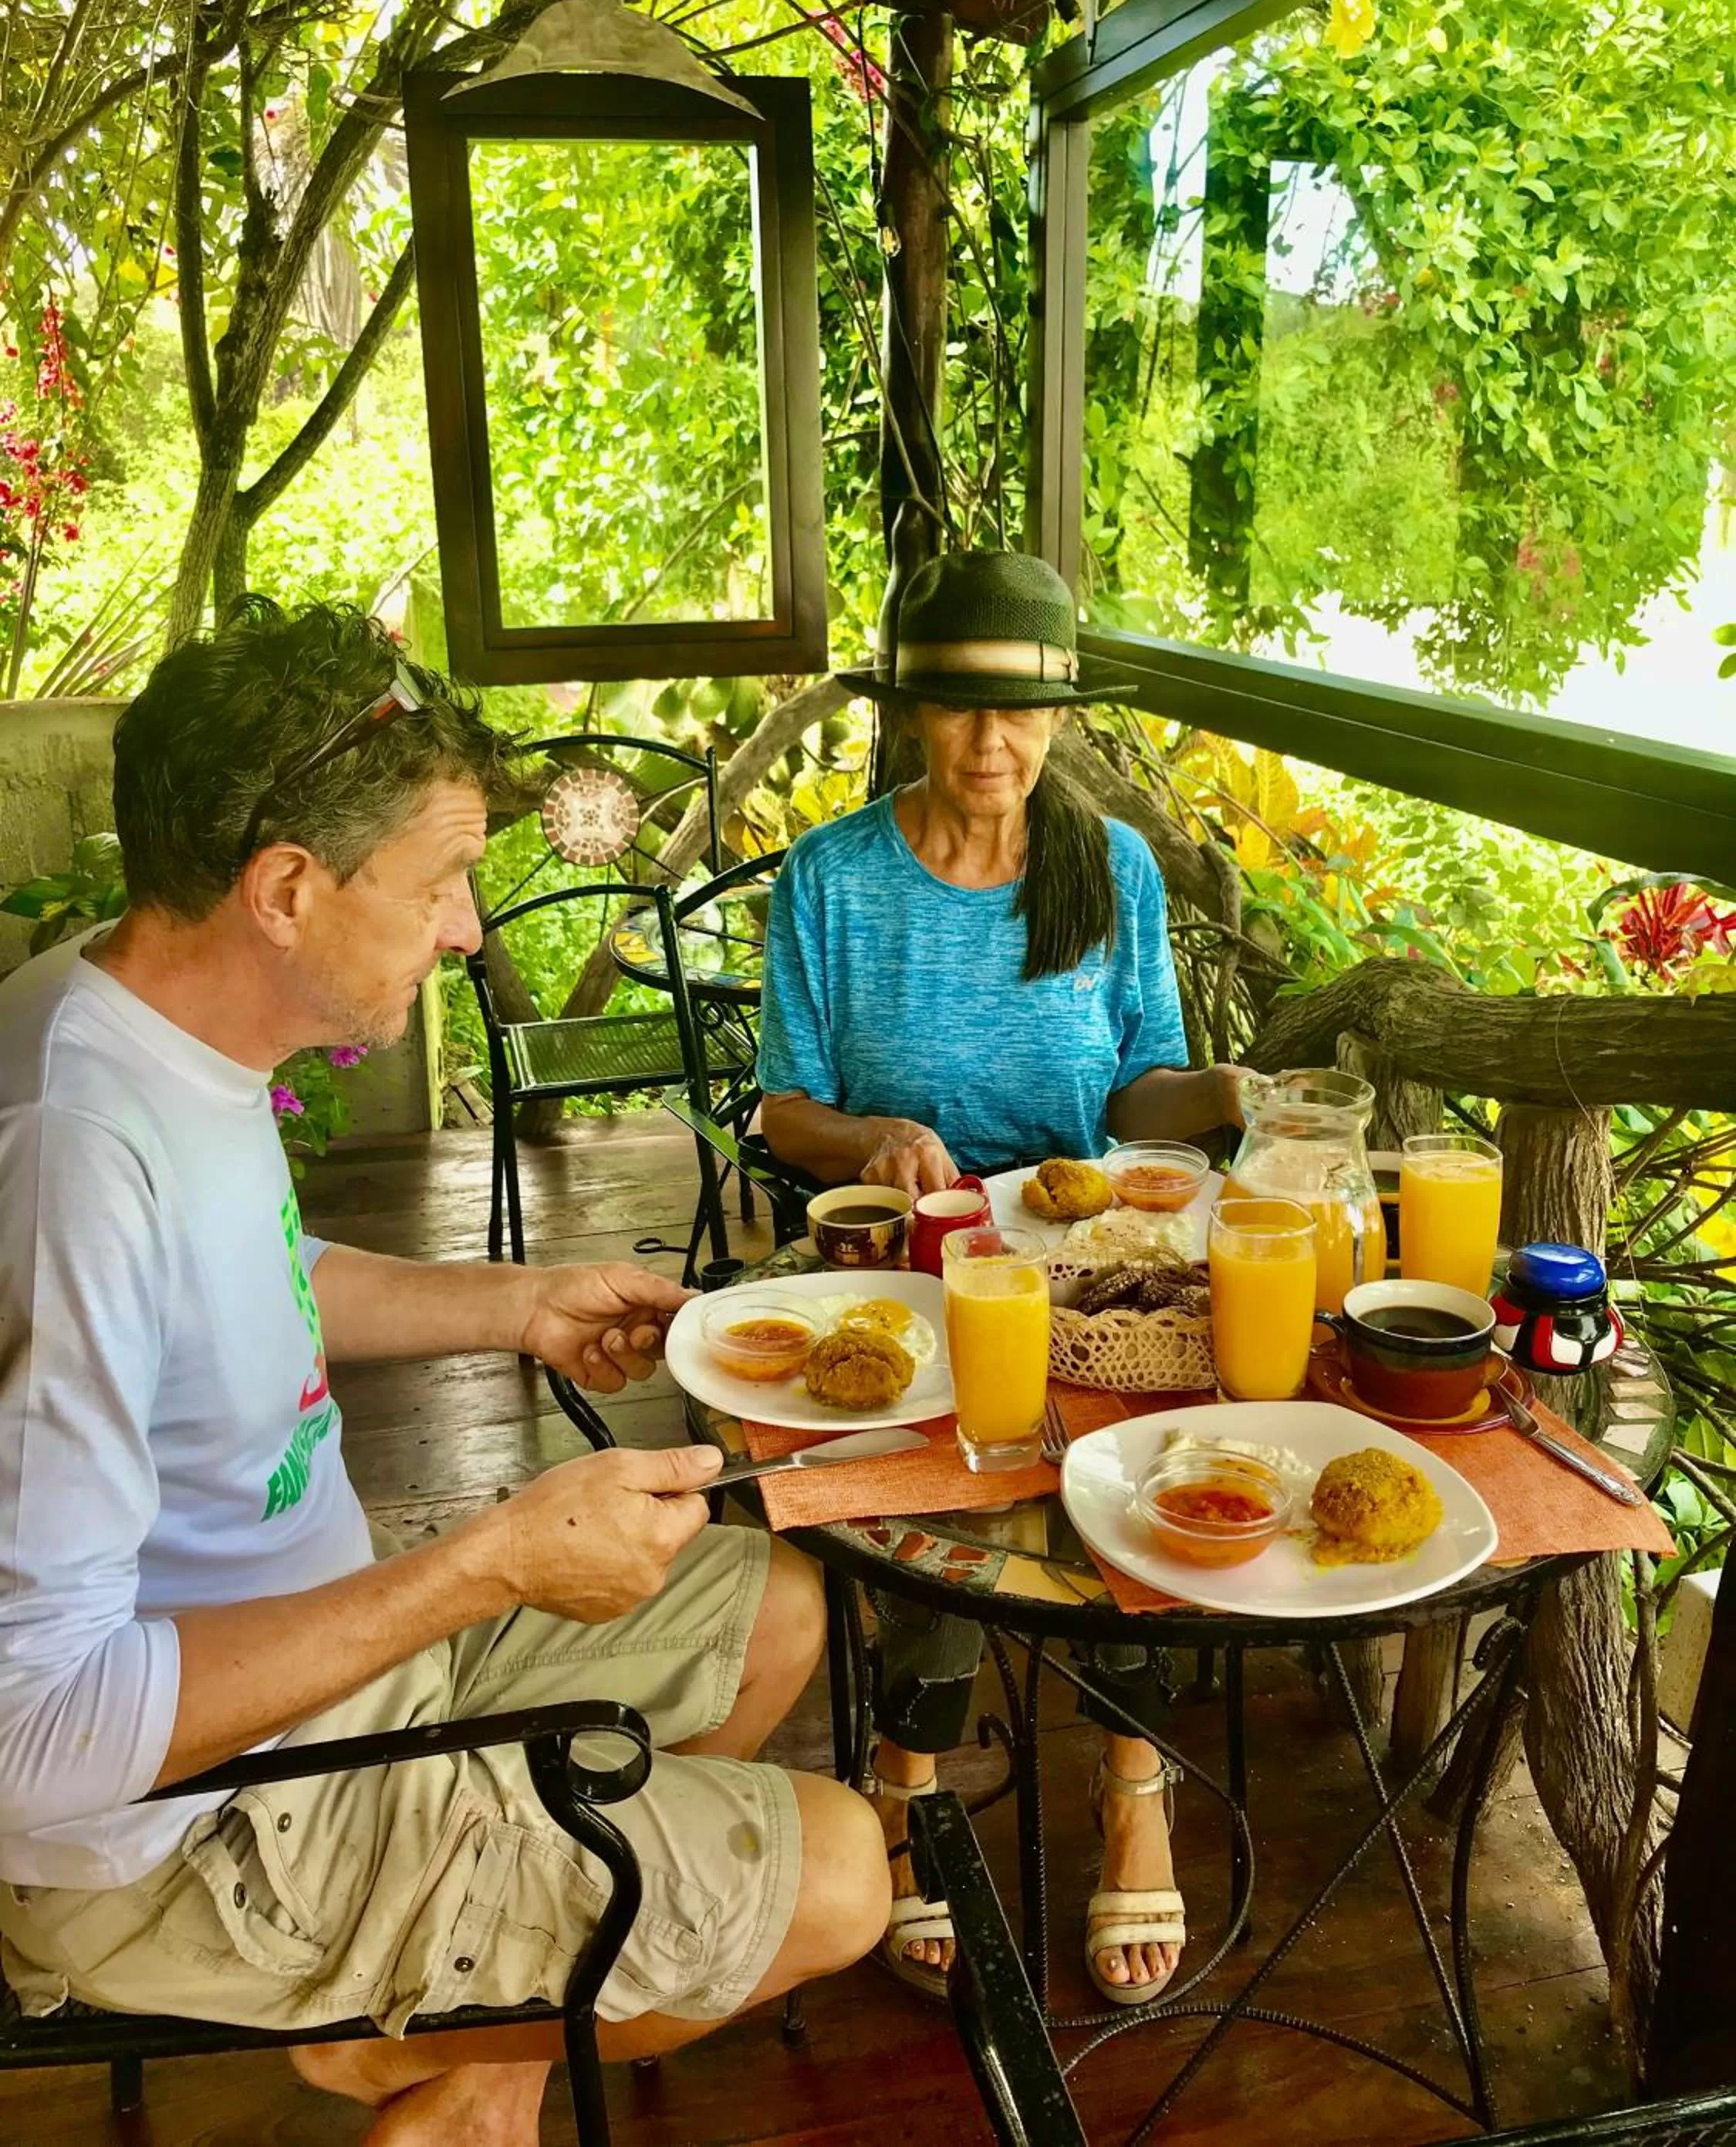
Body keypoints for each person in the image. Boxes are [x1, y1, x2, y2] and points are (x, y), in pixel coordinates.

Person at [0, 600, 887, 2147]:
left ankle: (482, 2050)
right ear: (287, 889)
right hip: (185, 1834)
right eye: (443, 882)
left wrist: (524, 1306)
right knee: (847, 1875)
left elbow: (249, 1291)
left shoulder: (138, 1014)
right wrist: (486, 1566)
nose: (471, 927)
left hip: (323, 1667)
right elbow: (38, 1742)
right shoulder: (75, 1156)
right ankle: (470, 2065)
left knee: (774, 1605)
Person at [758, 551, 1248, 2009]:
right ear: (909, 713)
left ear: (1058, 721)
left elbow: (1142, 1091)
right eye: (961, 714)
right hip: (907, 1266)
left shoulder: (1111, 867)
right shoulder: (833, 879)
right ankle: (906, 1774)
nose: (992, 748)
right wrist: (874, 1134)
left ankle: (1131, 1780)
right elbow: (783, 1106)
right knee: (943, 1489)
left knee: (1134, 1479)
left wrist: (1222, 1089)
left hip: (1088, 1265)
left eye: (1021, 718)